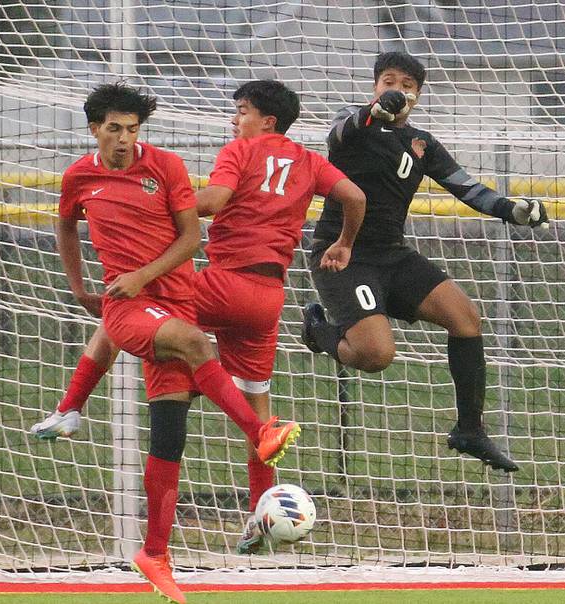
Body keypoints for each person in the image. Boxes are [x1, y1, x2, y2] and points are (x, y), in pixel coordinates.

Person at [32, 81, 366, 555]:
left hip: (225, 282)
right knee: (256, 403)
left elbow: (211, 202)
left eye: (242, 111)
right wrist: (344, 243)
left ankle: (71, 405)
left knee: (130, 303)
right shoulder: (309, 160)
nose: (235, 121)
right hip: (269, 296)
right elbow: (355, 198)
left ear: (265, 122)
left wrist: (165, 197)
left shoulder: (242, 150)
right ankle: (260, 516)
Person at [54, 82, 303, 604]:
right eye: (115, 128)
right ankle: (259, 430)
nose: (124, 138)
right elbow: (66, 228)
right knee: (195, 343)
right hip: (128, 309)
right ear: (94, 128)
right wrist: (80, 287)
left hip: (173, 299)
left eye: (132, 128)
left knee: (169, 436)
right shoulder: (79, 176)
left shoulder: (164, 166)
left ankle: (155, 553)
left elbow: (192, 239)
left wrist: (146, 276)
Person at [303, 51, 550, 473]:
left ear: (417, 95)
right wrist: (373, 113)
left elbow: (466, 187)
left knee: (465, 317)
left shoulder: (421, 143)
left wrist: (513, 210)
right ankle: (318, 332)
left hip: (393, 255)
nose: (396, 89)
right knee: (376, 356)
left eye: (407, 84)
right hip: (344, 254)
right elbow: (340, 132)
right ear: (375, 86)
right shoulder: (355, 124)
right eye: (388, 80)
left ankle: (470, 430)